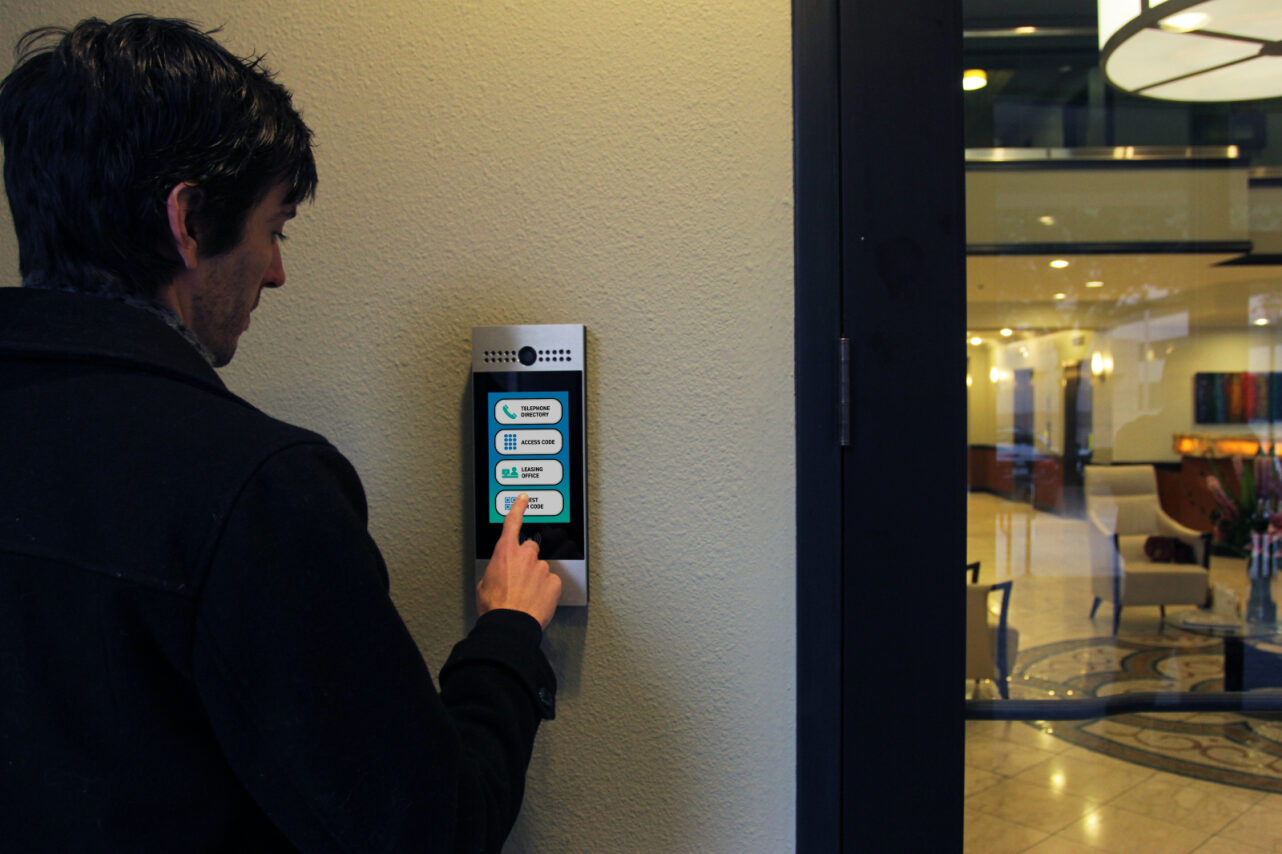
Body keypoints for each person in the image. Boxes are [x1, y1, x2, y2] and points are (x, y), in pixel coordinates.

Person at [0, 15, 562, 852]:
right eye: (275, 228)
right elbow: (429, 832)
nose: (277, 271)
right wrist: (508, 635)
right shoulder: (251, 486)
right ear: (189, 220)